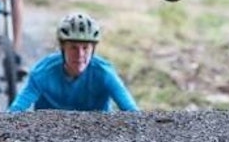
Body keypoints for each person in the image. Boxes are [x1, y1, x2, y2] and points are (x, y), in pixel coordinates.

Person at [8, 12, 139, 112]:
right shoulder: (42, 73)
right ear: (62, 48)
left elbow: (132, 111)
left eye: (85, 48)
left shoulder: (104, 73)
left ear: (93, 49)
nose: (80, 54)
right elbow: (16, 110)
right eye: (73, 48)